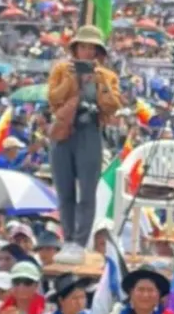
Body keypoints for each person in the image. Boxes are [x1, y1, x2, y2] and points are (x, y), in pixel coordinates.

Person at [48, 26, 122, 249]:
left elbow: (114, 105)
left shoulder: (107, 76)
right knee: (64, 190)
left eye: (92, 48)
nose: (87, 52)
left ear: (98, 52)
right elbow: (53, 98)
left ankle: (80, 242)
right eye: (83, 47)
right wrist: (72, 80)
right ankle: (68, 238)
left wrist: (100, 81)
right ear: (75, 49)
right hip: (64, 132)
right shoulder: (61, 70)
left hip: (90, 132)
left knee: (88, 192)